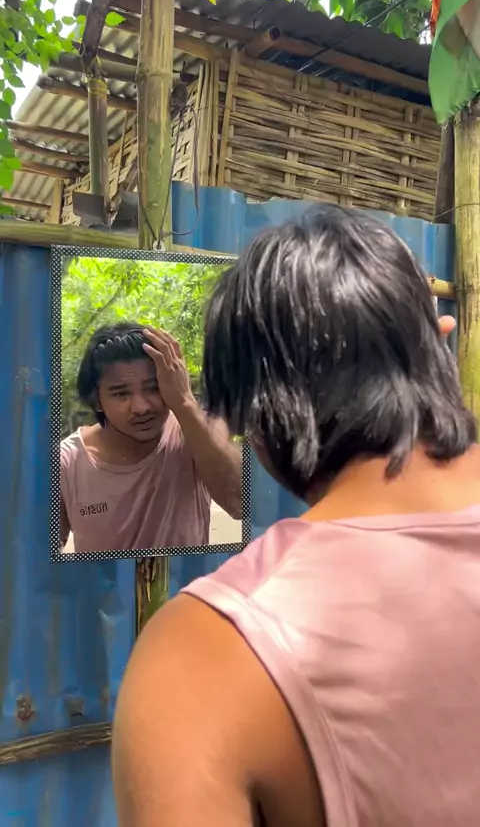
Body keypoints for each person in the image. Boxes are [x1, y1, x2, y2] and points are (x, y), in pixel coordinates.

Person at [112, 206, 480, 827]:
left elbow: (231, 495)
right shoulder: (78, 457)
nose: (142, 406)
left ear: (252, 416)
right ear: (442, 340)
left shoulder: (205, 651)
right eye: (122, 392)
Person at [60, 323, 242, 553]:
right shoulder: (67, 462)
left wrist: (184, 401)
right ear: (97, 401)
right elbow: (38, 557)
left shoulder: (196, 432)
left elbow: (240, 504)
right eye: (121, 393)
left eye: (153, 388)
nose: (141, 407)